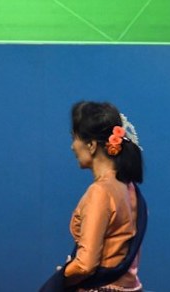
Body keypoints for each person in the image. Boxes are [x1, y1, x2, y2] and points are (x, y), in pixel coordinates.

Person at [41, 101, 146, 292]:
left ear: (90, 145)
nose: (73, 147)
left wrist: (59, 279)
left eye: (74, 138)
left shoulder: (100, 192)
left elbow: (85, 265)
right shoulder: (128, 187)